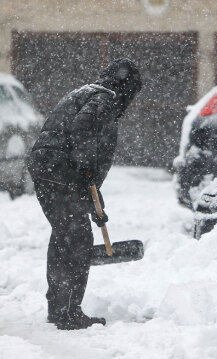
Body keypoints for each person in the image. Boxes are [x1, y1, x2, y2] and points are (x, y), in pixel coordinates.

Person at [27, 58, 142, 330]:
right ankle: (68, 312)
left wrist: (94, 203)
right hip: (60, 171)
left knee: (64, 235)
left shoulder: (85, 92)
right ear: (126, 87)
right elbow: (82, 130)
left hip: (47, 170)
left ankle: (59, 307)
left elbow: (79, 153)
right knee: (77, 239)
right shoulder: (106, 98)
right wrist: (87, 166)